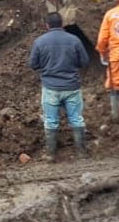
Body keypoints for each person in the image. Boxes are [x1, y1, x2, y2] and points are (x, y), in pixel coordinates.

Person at [29, 12, 90, 160]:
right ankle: (81, 152)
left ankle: (51, 154)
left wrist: (46, 68)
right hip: (72, 86)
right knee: (76, 118)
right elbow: (84, 62)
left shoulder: (40, 42)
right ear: (62, 24)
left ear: (47, 25)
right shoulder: (74, 40)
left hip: (51, 87)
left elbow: (33, 64)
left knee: (50, 120)